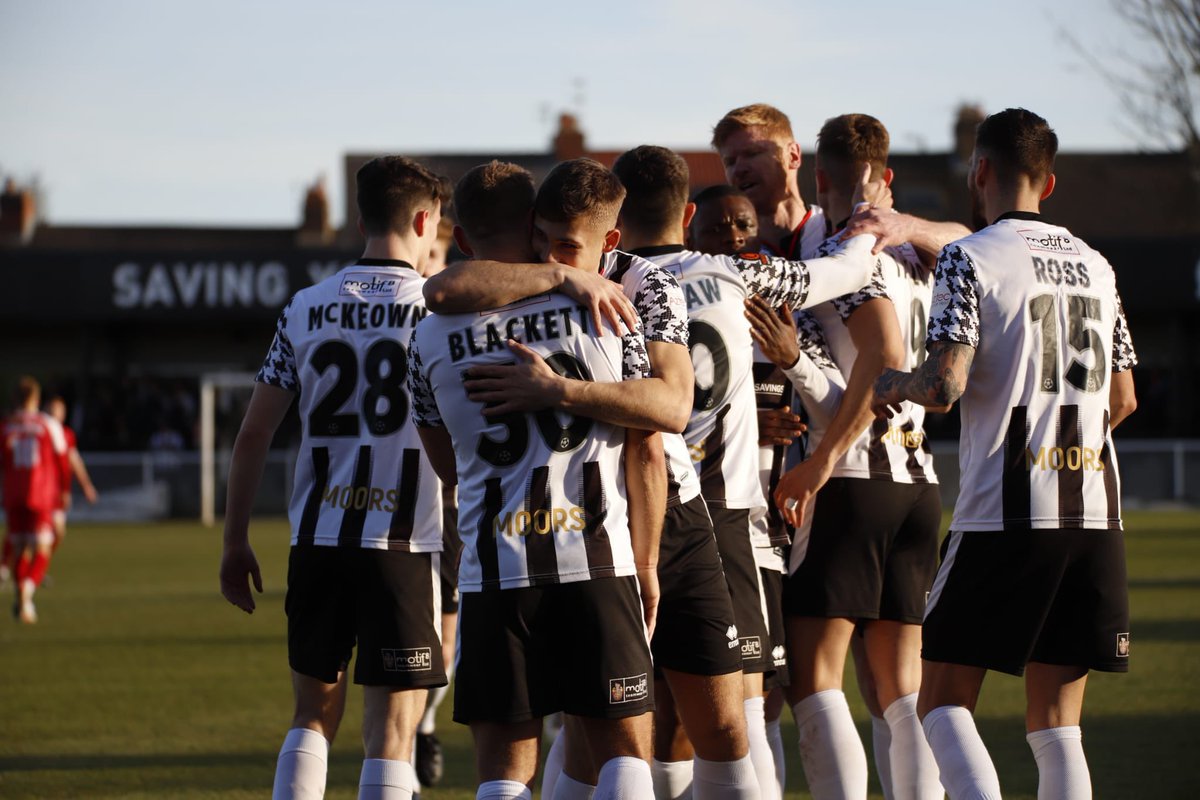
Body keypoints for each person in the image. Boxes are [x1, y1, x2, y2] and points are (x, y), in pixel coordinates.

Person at [872, 107, 1138, 800]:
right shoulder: (1098, 266)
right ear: (1048, 183)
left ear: (980, 170)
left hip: (1007, 513)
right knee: (1057, 724)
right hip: (1095, 512)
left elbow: (943, 385)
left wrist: (888, 384)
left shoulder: (971, 255)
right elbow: (1124, 398)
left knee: (940, 701)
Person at [611, 144, 882, 800]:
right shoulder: (731, 273)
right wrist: (870, 224)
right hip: (720, 517)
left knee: (620, 713)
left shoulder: (599, 283)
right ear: (686, 212)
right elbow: (842, 273)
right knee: (737, 709)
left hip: (622, 513)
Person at [407, 158, 663, 800]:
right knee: (625, 759)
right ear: (534, 224)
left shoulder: (427, 338)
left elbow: (446, 465)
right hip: (595, 557)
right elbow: (649, 444)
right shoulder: (604, 308)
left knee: (503, 775)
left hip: (494, 569)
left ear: (463, 241)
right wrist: (648, 560)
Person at [219, 155, 451, 800]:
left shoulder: (304, 307)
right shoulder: (436, 312)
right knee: (393, 737)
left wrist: (235, 541)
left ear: (359, 220)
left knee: (312, 717)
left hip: (317, 540)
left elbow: (254, 433)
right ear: (425, 221)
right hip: (403, 543)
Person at [1, 377, 70, 624]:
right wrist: (65, 490)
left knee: (19, 548)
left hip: (13, 494)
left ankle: (22, 600)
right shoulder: (47, 424)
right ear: (36, 399)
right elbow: (63, 460)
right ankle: (27, 592)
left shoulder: (7, 426)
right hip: (40, 495)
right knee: (42, 548)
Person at [45, 396, 99, 551]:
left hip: (57, 491)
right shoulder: (39, 432)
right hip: (41, 490)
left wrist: (86, 486)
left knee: (57, 533)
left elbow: (75, 461)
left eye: (59, 410)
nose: (56, 413)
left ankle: (37, 563)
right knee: (33, 535)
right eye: (52, 409)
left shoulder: (66, 435)